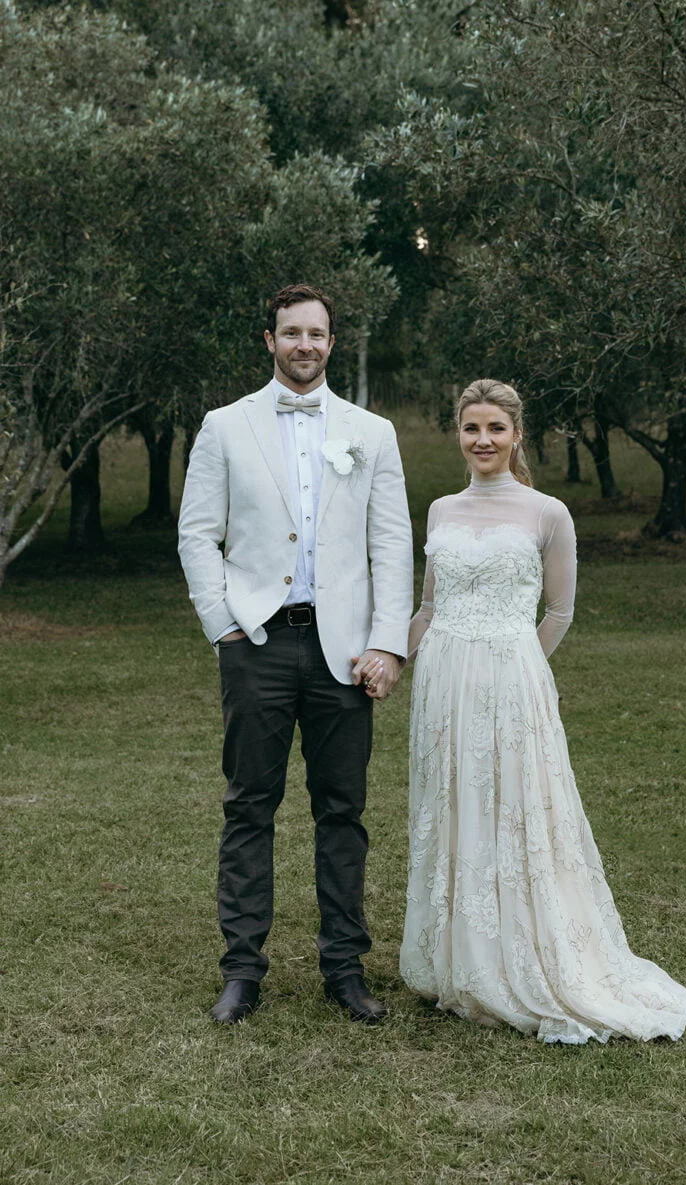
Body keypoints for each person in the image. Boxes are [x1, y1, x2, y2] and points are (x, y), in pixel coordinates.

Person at [400, 379, 686, 1044]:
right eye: (472, 428)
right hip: (443, 683)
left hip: (512, 681)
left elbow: (559, 612)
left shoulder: (548, 512)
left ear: (516, 435)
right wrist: (391, 656)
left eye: (495, 429)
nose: (483, 440)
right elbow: (428, 607)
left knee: (515, 807)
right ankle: (460, 958)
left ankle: (527, 958)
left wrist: (520, 671)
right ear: (458, 434)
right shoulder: (441, 510)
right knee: (455, 803)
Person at [178, 284, 413, 1025]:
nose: (304, 344)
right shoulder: (225, 426)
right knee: (249, 805)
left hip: (345, 651)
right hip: (258, 643)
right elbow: (197, 532)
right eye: (291, 332)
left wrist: (388, 642)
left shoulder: (372, 432)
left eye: (316, 333)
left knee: (342, 810)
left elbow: (391, 542)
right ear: (270, 340)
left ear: (332, 343)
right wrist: (222, 622)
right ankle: (242, 971)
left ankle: (344, 969)